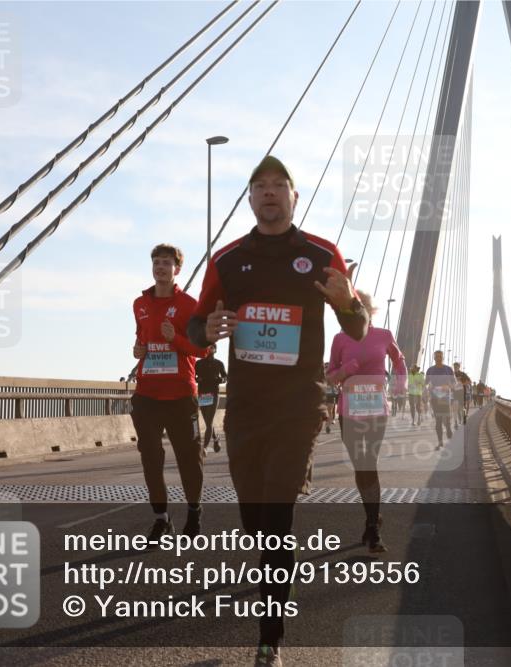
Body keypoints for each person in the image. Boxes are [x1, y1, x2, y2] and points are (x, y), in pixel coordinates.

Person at [188, 155, 367, 667]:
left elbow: (355, 328)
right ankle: (271, 586)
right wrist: (210, 331)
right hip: (245, 407)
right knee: (255, 518)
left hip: (298, 406)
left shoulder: (321, 252)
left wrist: (347, 303)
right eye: (259, 186)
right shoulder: (226, 260)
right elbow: (196, 329)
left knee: (277, 513)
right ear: (249, 198)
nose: (269, 193)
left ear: (294, 197)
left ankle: (271, 635)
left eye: (278, 186)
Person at [131, 243, 210, 541]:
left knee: (189, 458)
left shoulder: (190, 305)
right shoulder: (139, 304)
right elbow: (141, 340)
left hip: (180, 396)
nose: (160, 267)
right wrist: (137, 350)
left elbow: (204, 350)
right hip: (147, 395)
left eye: (166, 263)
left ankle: (194, 509)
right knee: (150, 458)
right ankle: (161, 519)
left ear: (177, 269)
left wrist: (175, 338)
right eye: (156, 262)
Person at [327, 290, 406, 553]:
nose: (356, 310)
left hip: (375, 409)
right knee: (359, 467)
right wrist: (344, 371)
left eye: (360, 306)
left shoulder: (384, 335)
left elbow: (399, 359)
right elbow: (330, 377)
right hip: (348, 409)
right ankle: (373, 516)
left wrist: (400, 383)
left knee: (367, 464)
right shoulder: (339, 338)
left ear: (370, 311)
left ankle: (373, 528)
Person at [194, 344, 227, 453]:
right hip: (203, 394)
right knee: (208, 421)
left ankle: (205, 448)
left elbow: (225, 377)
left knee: (209, 423)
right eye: (207, 347)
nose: (209, 348)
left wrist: (220, 380)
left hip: (214, 394)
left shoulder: (219, 363)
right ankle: (216, 437)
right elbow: (193, 376)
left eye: (212, 347)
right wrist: (197, 379)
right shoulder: (198, 363)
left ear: (215, 350)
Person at [425, 350, 456, 449]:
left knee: (447, 419)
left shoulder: (448, 369)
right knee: (438, 420)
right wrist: (427, 388)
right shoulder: (430, 370)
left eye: (440, 356)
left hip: (445, 397)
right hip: (434, 398)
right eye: (436, 356)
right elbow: (425, 383)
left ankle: (448, 429)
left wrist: (448, 386)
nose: (438, 358)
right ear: (434, 358)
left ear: (443, 358)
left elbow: (454, 383)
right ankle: (440, 442)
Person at [322, 363, 339, 433]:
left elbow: (335, 386)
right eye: (326, 367)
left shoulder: (329, 376)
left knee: (329, 411)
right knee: (328, 411)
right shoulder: (324, 376)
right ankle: (327, 425)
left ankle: (327, 425)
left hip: (330, 395)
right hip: (326, 395)